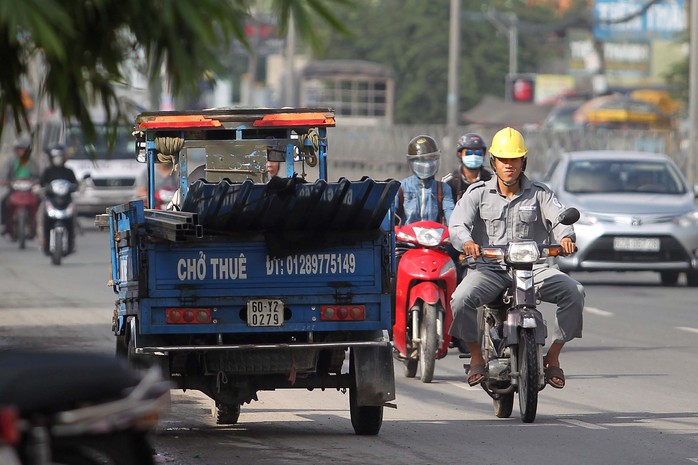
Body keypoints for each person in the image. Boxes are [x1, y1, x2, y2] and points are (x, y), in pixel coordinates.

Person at [448, 127, 585, 389]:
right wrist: (466, 242)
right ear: (494, 163)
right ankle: (476, 356)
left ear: (524, 161)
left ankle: (553, 356)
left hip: (534, 269)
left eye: (514, 159)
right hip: (491, 269)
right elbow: (457, 225)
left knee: (574, 292)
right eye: (503, 160)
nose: (509, 165)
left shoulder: (540, 193)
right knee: (460, 299)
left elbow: (559, 218)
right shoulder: (477, 193)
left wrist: (566, 238)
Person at [395, 135, 454, 226]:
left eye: (430, 159)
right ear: (411, 162)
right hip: (406, 238)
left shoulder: (443, 189)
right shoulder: (401, 188)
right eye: (421, 160)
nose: (426, 165)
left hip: (435, 237)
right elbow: (390, 216)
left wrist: (454, 230)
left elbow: (449, 212)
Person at [39, 144, 78, 254]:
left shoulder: (69, 171)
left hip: (66, 201)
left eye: (60, 157)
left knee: (74, 217)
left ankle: (72, 242)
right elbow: (41, 183)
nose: (58, 160)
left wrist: (75, 187)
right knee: (40, 216)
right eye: (56, 157)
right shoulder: (47, 171)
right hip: (51, 201)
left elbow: (75, 184)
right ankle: (42, 240)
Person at [1, 135, 40, 235]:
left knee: (39, 200)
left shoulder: (32, 161)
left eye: (23, 149)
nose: (21, 151)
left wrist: (36, 182)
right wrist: (5, 181)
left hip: (29, 189)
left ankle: (36, 223)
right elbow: (5, 174)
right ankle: (6, 225)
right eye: (19, 149)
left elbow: (38, 175)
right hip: (15, 188)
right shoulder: (11, 161)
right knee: (4, 201)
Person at [441, 133, 493, 203]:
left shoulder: (491, 179)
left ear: (483, 154)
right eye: (468, 153)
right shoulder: (449, 182)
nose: (473, 156)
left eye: (478, 153)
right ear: (460, 154)